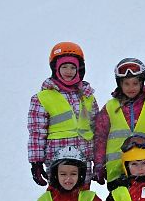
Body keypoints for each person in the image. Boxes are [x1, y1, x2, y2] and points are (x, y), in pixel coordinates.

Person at [27, 42, 98, 186]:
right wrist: (36, 162)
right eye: (64, 67)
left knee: (83, 197)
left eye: (73, 67)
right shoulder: (42, 98)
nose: (69, 71)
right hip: (57, 158)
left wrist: (99, 160)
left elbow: (97, 128)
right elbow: (37, 132)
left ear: (80, 70)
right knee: (60, 198)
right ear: (55, 68)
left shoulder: (87, 96)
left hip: (84, 156)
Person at [93, 58, 145, 189]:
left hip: (144, 170)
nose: (131, 88)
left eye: (135, 83)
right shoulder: (110, 107)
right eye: (126, 84)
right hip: (116, 173)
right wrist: (99, 164)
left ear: (141, 83)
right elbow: (100, 138)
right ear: (120, 84)